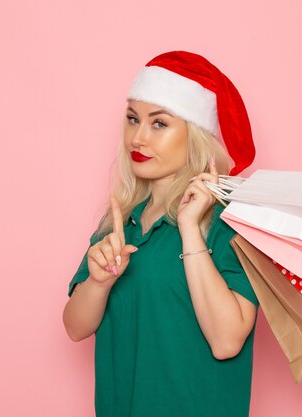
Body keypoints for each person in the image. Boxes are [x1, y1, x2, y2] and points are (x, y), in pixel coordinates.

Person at [62, 51, 259, 417]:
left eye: (159, 124)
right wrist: (100, 282)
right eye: (132, 119)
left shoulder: (230, 225)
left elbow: (227, 341)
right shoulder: (122, 221)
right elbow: (75, 327)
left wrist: (189, 229)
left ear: (197, 136)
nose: (138, 138)